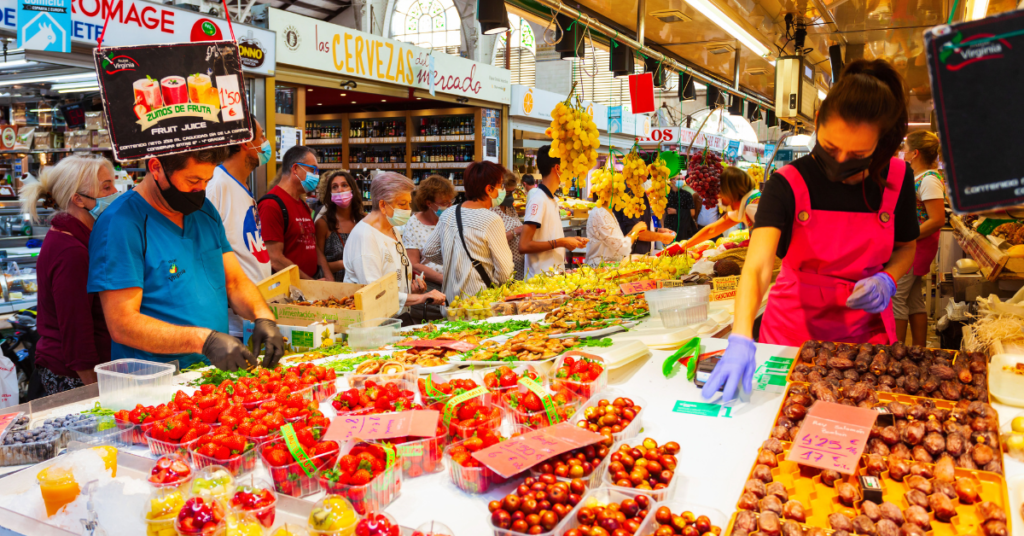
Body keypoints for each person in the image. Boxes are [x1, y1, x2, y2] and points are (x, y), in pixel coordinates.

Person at [703, 59, 918, 401]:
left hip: (866, 338)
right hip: (791, 336)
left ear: (882, 142)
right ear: (817, 121)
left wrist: (888, 278)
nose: (841, 162)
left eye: (859, 153)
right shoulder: (786, 184)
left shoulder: (897, 178)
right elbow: (757, 266)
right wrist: (742, 335)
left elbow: (907, 246)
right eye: (831, 148)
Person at [88, 148, 286, 371]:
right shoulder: (120, 224)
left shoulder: (205, 211)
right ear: (156, 168)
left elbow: (235, 282)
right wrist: (204, 341)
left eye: (207, 180)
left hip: (212, 374)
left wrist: (263, 316)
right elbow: (122, 324)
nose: (201, 189)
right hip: (153, 380)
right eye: (193, 180)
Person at [21, 156, 114, 395]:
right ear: (79, 199)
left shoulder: (76, 238)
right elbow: (76, 332)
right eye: (106, 187)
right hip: (73, 377)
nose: (115, 192)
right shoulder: (71, 251)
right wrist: (95, 392)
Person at [343, 172, 445, 323]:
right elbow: (375, 293)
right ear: (383, 205)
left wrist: (411, 288)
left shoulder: (391, 228)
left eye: (408, 203)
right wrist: (419, 298)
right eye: (402, 204)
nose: (407, 209)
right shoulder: (365, 237)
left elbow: (393, 274)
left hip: (396, 317)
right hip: (372, 323)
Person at [207, 116, 273, 338]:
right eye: (262, 135)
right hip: (234, 326)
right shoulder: (216, 185)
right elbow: (207, 253)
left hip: (254, 318)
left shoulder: (242, 185)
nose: (266, 142)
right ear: (245, 142)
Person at [421, 161, 515, 302]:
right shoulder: (491, 220)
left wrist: (455, 258)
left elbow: (429, 251)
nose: (502, 190)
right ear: (489, 189)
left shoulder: (448, 213)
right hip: (481, 303)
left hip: (450, 302)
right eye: (500, 185)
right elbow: (505, 270)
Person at [893, 131, 945, 346]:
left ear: (915, 153)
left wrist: (908, 237)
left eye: (905, 150)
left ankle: (894, 352)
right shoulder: (916, 177)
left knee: (896, 298)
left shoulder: (929, 180)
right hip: (915, 247)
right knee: (914, 299)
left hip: (916, 248)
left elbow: (937, 219)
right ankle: (919, 350)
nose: (903, 154)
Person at [518, 147, 588, 278]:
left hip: (553, 279)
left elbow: (547, 237)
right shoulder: (538, 200)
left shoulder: (551, 199)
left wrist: (569, 240)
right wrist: (562, 242)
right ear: (558, 168)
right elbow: (523, 245)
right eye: (567, 167)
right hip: (539, 282)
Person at [260, 146, 319, 279]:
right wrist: (309, 282)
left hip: (308, 287)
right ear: (295, 169)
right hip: (288, 290)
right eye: (312, 170)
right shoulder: (271, 205)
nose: (316, 176)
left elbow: (311, 245)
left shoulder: (302, 204)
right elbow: (274, 258)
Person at [404, 175, 455, 321]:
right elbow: (414, 263)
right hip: (429, 289)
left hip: (454, 287)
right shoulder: (413, 224)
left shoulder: (450, 220)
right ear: (429, 203)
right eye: (444, 203)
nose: (449, 206)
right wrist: (442, 279)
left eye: (450, 201)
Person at [675, 167, 760, 250]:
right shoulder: (743, 206)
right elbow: (712, 229)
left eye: (719, 193)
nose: (718, 198)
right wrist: (682, 247)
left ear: (729, 191)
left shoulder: (753, 206)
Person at [315, 170, 364, 282]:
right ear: (330, 193)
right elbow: (319, 264)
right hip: (335, 290)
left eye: (344, 185)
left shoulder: (364, 220)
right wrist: (345, 264)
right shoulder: (322, 224)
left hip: (363, 287)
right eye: (335, 187)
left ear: (353, 189)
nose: (340, 190)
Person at [585, 195, 647, 266]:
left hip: (608, 268)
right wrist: (635, 230)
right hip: (600, 269)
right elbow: (622, 247)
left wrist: (634, 233)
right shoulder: (600, 213)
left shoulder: (607, 212)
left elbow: (618, 243)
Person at [491, 170, 525, 279]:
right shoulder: (491, 210)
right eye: (508, 192)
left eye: (513, 191)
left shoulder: (510, 208)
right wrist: (517, 231)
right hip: (503, 269)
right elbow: (492, 242)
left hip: (519, 265)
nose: (511, 196)